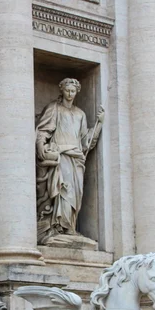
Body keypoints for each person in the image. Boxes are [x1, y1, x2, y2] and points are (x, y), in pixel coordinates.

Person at [35, 78, 104, 244]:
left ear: (77, 92)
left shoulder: (80, 114)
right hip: (62, 155)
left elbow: (85, 140)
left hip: (77, 157)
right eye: (67, 90)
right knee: (64, 191)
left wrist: (99, 124)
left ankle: (70, 226)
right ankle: (59, 227)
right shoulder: (54, 109)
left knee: (76, 193)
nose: (70, 93)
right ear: (62, 90)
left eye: (73, 91)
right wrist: (41, 147)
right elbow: (43, 131)